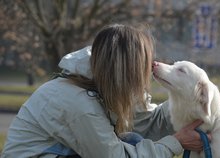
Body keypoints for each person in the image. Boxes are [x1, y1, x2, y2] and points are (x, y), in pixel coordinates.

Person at [2, 24, 208, 158]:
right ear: (126, 69)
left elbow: (149, 121)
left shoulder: (107, 86)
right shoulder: (78, 104)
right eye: (142, 63)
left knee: (134, 140)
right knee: (132, 144)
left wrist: (192, 100)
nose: (149, 67)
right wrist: (175, 143)